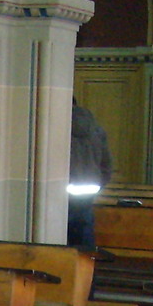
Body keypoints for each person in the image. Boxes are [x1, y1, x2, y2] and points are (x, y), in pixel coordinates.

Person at [66, 97, 112, 250]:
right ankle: (86, 263)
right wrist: (98, 183)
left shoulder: (58, 128)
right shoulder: (97, 130)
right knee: (85, 234)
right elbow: (106, 165)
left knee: (61, 236)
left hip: (63, 191)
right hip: (89, 190)